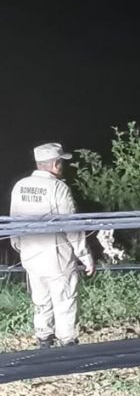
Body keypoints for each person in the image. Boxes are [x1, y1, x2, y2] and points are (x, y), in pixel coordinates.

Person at [10, 143, 95, 348]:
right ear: (55, 164)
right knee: (65, 300)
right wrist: (85, 256)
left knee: (40, 300)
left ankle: (43, 339)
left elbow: (13, 221)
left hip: (30, 255)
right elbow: (71, 226)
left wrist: (18, 245)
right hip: (57, 256)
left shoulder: (20, 186)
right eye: (62, 162)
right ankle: (67, 343)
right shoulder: (58, 188)